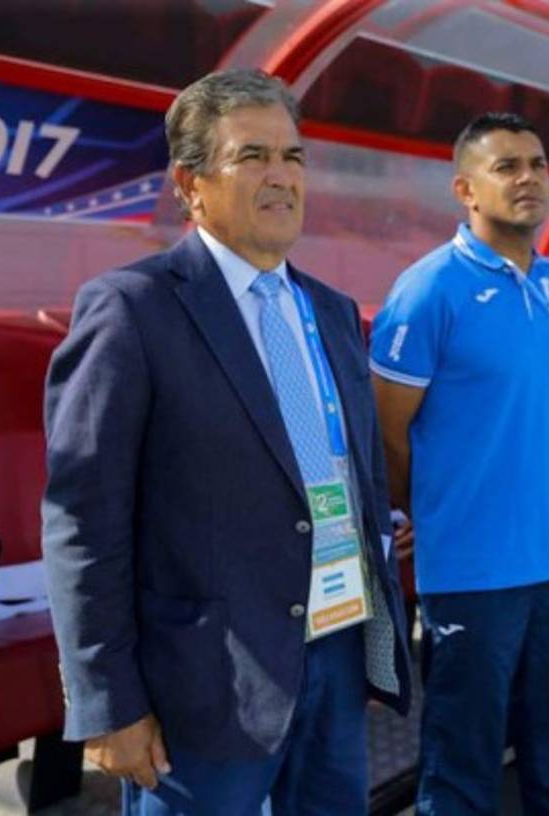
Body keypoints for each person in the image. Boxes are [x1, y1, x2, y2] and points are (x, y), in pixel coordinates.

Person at [41, 69, 411, 815]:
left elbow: (358, 476)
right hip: (204, 682)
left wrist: (376, 638)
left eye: (293, 157)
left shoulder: (333, 312)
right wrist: (107, 701)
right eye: (253, 156)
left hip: (336, 650)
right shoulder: (133, 309)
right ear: (190, 184)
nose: (281, 176)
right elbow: (84, 520)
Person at [369, 113, 549, 815]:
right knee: (463, 765)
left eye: (538, 164)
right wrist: (428, 510)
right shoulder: (429, 289)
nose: (529, 178)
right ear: (465, 189)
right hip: (472, 574)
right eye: (507, 167)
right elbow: (386, 432)